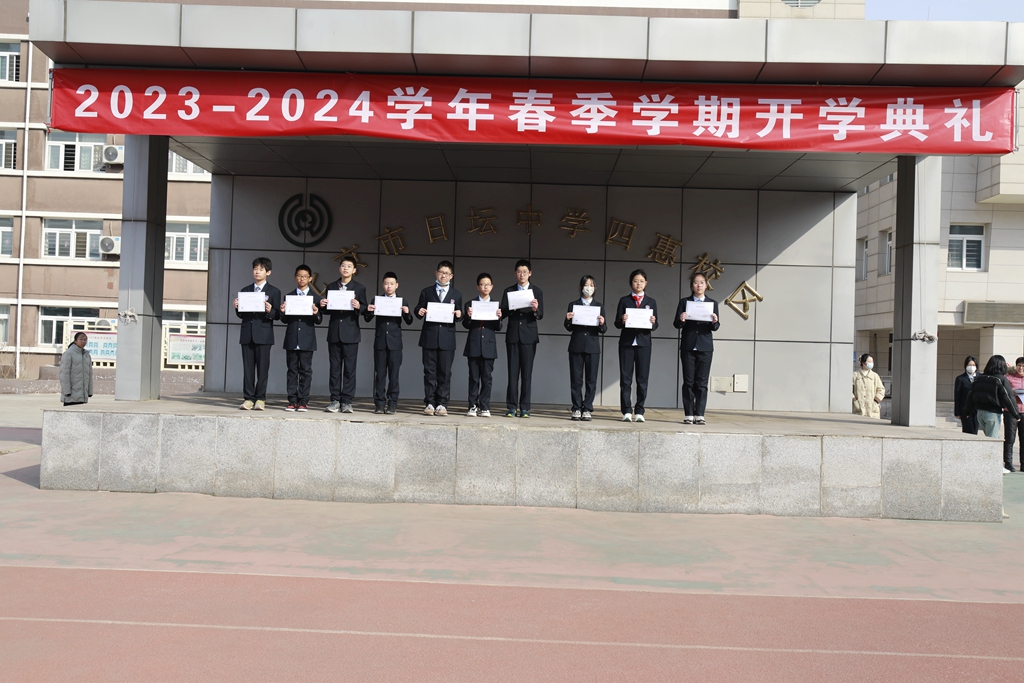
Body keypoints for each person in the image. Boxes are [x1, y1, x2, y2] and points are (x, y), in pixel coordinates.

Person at [320, 255, 366, 414]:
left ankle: (347, 401)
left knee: (349, 369)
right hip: (334, 332)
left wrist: (359, 306)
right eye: (343, 265)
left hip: (351, 333)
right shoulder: (332, 286)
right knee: (334, 368)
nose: (345, 268)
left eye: (349, 266)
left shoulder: (359, 288)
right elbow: (327, 310)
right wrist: (323, 305)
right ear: (339, 268)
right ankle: (335, 400)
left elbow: (365, 308)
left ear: (354, 270)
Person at [415, 260, 462, 416]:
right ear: (436, 273)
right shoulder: (426, 292)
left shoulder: (456, 294)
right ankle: (429, 402)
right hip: (429, 337)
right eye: (441, 272)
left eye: (447, 273)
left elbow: (459, 314)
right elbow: (418, 308)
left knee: (445, 373)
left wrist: (459, 314)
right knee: (429, 372)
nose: (443, 276)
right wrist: (419, 311)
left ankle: (442, 403)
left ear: (451, 276)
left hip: (447, 339)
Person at [233, 257, 281, 411]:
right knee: (248, 369)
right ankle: (248, 398)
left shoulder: (274, 291)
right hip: (247, 333)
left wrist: (270, 311)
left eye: (261, 269)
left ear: (268, 272)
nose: (257, 272)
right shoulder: (245, 290)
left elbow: (278, 315)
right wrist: (237, 307)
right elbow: (241, 315)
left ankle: (260, 398)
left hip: (264, 334)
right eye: (255, 269)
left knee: (262, 368)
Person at [499, 259, 544, 418]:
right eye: (519, 272)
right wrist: (506, 310)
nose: (522, 275)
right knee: (512, 373)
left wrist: (535, 309)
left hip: (529, 336)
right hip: (513, 335)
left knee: (526, 373)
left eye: (525, 272)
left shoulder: (536, 291)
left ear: (530, 273)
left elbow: (540, 315)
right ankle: (511, 407)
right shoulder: (509, 290)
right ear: (515, 273)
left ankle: (525, 407)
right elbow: (503, 312)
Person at [363, 271, 413, 414]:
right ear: (383, 285)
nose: (389, 286)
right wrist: (369, 310)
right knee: (380, 375)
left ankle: (392, 404)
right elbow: (367, 319)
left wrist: (407, 313)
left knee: (394, 375)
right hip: (380, 342)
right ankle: (379, 404)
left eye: (391, 284)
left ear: (397, 285)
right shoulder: (376, 300)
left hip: (395, 343)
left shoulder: (402, 302)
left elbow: (409, 321)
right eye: (386, 284)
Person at [674, 272, 720, 425]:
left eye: (701, 282)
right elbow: (676, 324)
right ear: (691, 285)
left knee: (701, 382)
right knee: (688, 381)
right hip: (688, 346)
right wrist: (681, 319)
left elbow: (715, 327)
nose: (699, 285)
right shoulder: (684, 302)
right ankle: (688, 413)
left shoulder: (712, 303)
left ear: (706, 285)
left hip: (705, 347)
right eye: (696, 282)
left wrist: (714, 321)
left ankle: (700, 414)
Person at [614, 269, 658, 423]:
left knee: (642, 379)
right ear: (631, 283)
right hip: (626, 343)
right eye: (635, 281)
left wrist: (653, 322)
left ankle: (639, 410)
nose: (638, 284)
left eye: (641, 281)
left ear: (646, 283)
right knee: (625, 379)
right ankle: (626, 410)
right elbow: (617, 323)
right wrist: (622, 320)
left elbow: (655, 326)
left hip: (644, 344)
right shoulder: (624, 300)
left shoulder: (651, 302)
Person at [278, 264, 322, 412]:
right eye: (299, 276)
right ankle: (292, 400)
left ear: (310, 278)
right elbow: (284, 320)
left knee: (305, 371)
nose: (302, 279)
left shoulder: (315, 298)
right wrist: (283, 311)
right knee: (292, 370)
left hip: (307, 339)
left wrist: (316, 312)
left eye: (305, 276)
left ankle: (303, 401)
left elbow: (319, 320)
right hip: (292, 338)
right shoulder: (288, 296)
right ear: (295, 277)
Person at [564, 275, 606, 421]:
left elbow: (604, 329)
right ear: (581, 287)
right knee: (576, 379)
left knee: (591, 380)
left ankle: (587, 408)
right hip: (576, 346)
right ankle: (576, 408)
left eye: (592, 285)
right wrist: (567, 319)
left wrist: (602, 323)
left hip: (592, 347)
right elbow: (568, 327)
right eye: (586, 285)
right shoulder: (573, 305)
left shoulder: (599, 306)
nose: (589, 288)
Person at [463, 272, 503, 417]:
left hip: (489, 346)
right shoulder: (470, 304)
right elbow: (465, 325)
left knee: (487, 378)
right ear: (477, 287)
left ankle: (485, 406)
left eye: (488, 284)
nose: (485, 287)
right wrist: (468, 316)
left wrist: (499, 317)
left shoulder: (496, 305)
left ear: (492, 287)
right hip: (474, 345)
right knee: (473, 378)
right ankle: (472, 405)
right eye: (482, 284)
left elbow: (499, 327)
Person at [966, 355, 1020, 447]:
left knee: (994, 438)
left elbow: (970, 395)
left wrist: (968, 411)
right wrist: (1015, 414)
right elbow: (1008, 397)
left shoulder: (979, 378)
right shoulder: (1001, 379)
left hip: (980, 413)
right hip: (992, 413)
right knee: (992, 441)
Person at [59, 332, 92, 406]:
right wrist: (67, 391)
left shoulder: (86, 355)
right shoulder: (68, 353)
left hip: (82, 395)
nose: (83, 341)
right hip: (70, 395)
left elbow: (89, 374)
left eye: (85, 340)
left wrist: (89, 391)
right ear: (75, 341)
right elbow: (64, 374)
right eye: (81, 339)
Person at [1003, 356, 1024, 471]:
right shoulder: (1009, 377)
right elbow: (1004, 392)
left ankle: (1023, 464)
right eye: (1019, 365)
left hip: (1023, 412)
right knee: (1010, 438)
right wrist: (1012, 393)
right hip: (1010, 411)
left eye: (1023, 366)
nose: (1021, 368)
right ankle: (1008, 463)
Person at [852, 353, 886, 418]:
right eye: (869, 362)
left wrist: (876, 401)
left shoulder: (875, 376)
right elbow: (848, 390)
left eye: (872, 362)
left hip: (873, 411)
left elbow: (881, 390)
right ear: (863, 363)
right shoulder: (855, 375)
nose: (871, 363)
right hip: (858, 409)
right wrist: (854, 400)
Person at [954, 355, 979, 435]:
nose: (971, 367)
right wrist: (957, 412)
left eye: (973, 365)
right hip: (965, 409)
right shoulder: (960, 379)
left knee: (975, 430)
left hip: (977, 409)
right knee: (968, 431)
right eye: (969, 365)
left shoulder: (981, 377)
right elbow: (957, 396)